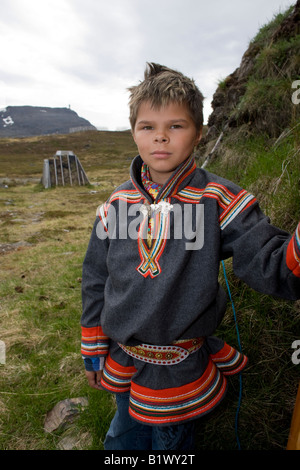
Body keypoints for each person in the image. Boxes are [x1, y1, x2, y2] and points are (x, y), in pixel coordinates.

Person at [81, 63, 300, 451]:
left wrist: (293, 253)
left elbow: (268, 260)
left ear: (198, 133)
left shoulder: (218, 200)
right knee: (122, 439)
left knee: (171, 446)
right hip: (124, 356)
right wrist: (94, 346)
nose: (160, 137)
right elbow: (97, 277)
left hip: (179, 368)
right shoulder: (116, 204)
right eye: (147, 127)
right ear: (134, 132)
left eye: (176, 126)